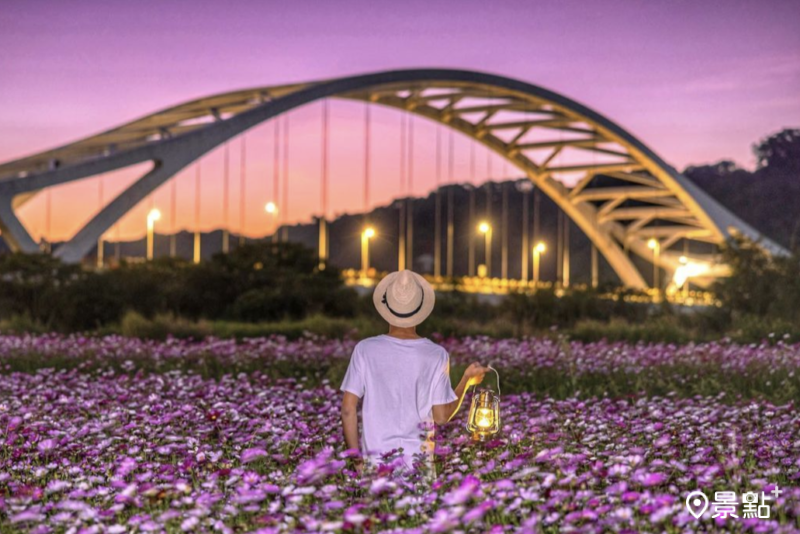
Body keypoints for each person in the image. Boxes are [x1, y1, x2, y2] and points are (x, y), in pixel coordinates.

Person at [339, 269, 490, 478]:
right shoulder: (436, 354)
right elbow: (442, 416)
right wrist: (467, 380)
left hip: (377, 466)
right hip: (419, 467)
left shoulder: (365, 349)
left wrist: (356, 458)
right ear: (420, 309)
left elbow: (348, 409)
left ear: (386, 307)